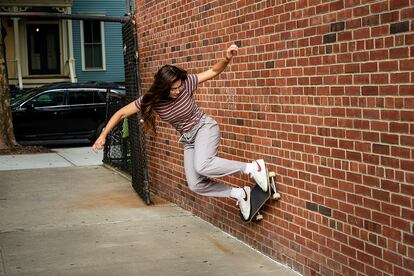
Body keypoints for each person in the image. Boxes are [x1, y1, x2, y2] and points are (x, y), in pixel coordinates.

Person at [92, 44, 269, 220]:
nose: (178, 91)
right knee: (195, 184)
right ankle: (240, 194)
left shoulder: (188, 82)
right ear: (163, 87)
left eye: (179, 87)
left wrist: (226, 58)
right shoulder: (151, 99)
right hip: (188, 139)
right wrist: (103, 135)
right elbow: (121, 113)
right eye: (173, 88)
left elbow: (213, 72)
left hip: (204, 127)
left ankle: (253, 168)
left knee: (203, 165)